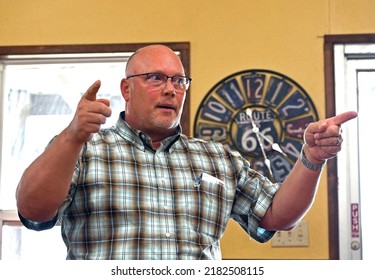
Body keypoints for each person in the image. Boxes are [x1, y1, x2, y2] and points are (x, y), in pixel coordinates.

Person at [15, 44, 358, 260]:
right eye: (155, 78)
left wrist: (312, 159)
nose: (170, 90)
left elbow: (277, 216)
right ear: (126, 88)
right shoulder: (85, 149)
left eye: (179, 81)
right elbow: (33, 211)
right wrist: (73, 135)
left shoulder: (217, 158)